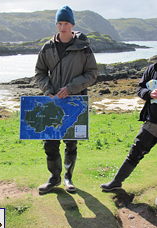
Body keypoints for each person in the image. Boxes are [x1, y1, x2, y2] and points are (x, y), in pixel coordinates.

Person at [35, 5, 98, 194]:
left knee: (71, 142)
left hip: (75, 103)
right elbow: (39, 73)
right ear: (57, 24)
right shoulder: (47, 48)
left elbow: (92, 74)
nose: (62, 27)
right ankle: (54, 178)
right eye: (59, 23)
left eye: (66, 23)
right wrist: (48, 90)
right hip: (52, 103)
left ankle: (68, 179)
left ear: (72, 24)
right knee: (50, 144)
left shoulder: (84, 48)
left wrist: (70, 88)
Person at [100, 62, 157, 191]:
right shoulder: (152, 69)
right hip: (152, 122)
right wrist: (149, 94)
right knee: (135, 151)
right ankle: (116, 182)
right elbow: (140, 89)